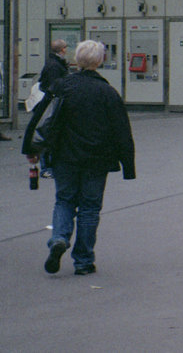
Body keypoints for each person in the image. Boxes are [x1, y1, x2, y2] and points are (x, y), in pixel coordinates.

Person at [27, 39, 135, 276]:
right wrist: (128, 165)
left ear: (77, 59)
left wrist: (32, 149)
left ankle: (59, 238)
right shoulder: (107, 92)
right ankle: (84, 261)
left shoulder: (62, 86)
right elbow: (121, 130)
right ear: (100, 61)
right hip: (98, 159)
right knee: (89, 208)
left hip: (65, 156)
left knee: (64, 199)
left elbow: (41, 119)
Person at [33, 39, 71, 175]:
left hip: (51, 100)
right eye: (65, 47)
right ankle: (46, 167)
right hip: (52, 102)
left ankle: (49, 165)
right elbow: (55, 84)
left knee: (49, 131)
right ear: (62, 50)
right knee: (48, 131)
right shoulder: (55, 65)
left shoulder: (53, 63)